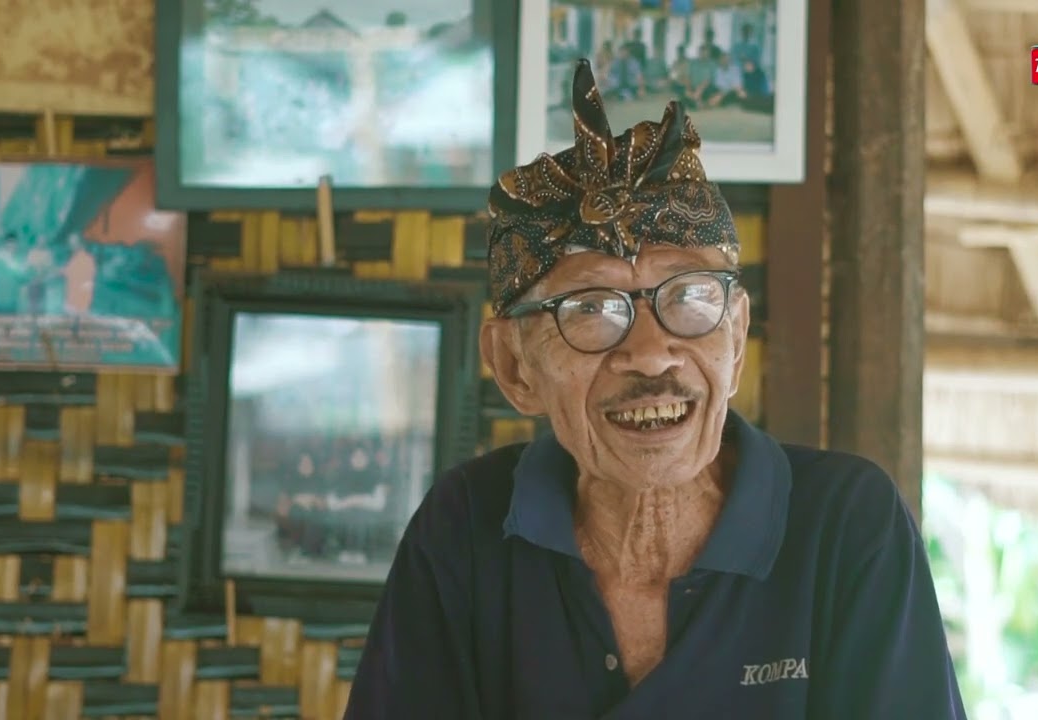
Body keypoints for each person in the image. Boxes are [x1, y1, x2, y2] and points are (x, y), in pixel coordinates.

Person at [344, 59, 967, 719]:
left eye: (691, 297)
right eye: (590, 307)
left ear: (735, 336)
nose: (648, 352)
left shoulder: (845, 525)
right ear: (515, 366)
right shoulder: (465, 528)